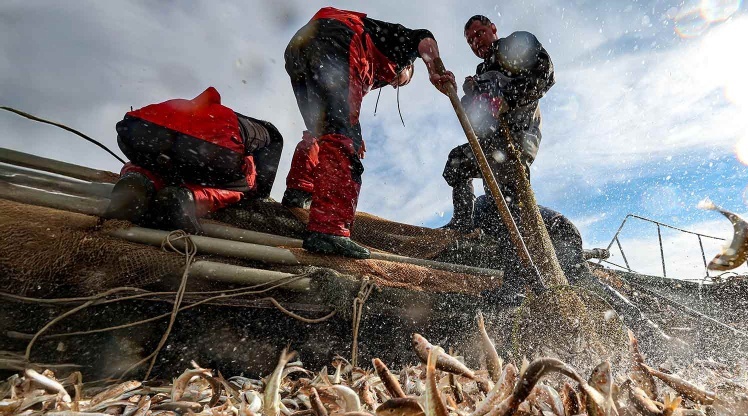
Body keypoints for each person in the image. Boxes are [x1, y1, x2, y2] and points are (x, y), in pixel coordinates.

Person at [282, 7, 455, 259]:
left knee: (322, 130)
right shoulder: (398, 50)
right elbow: (424, 37)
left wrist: (354, 133)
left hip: (299, 47)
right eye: (403, 79)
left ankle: (299, 191)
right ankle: (329, 230)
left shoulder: (370, 72)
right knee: (342, 140)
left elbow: (341, 108)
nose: (397, 82)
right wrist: (433, 69)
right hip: (338, 37)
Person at [104, 87, 283, 234]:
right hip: (209, 147)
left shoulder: (196, 108)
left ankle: (137, 181)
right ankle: (185, 198)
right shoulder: (260, 131)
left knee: (154, 163)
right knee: (243, 185)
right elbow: (271, 148)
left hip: (137, 129)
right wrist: (259, 194)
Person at [441, 14, 555, 232]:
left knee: (508, 210)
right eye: (470, 41)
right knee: (457, 162)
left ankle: (518, 251)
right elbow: (474, 121)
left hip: (517, 141)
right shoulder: (481, 74)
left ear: (493, 28)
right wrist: (466, 96)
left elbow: (545, 75)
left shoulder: (514, 46)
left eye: (479, 34)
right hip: (492, 145)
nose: (476, 42)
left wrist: (508, 99)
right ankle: (463, 224)